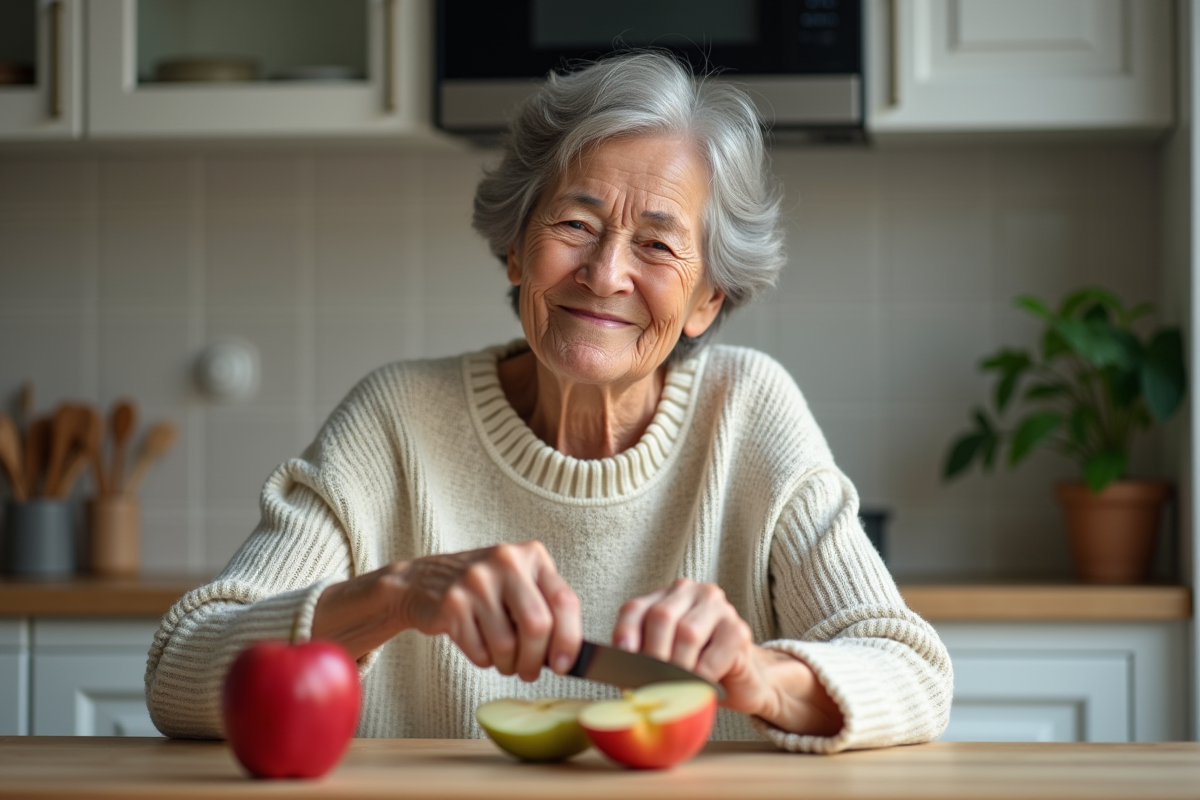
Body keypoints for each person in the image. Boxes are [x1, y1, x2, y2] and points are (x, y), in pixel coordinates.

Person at [145, 51, 952, 753]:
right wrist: (394, 596)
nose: (604, 275)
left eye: (658, 245)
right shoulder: (396, 419)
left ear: (708, 299)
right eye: (576, 222)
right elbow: (181, 672)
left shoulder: (751, 411)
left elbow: (914, 676)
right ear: (514, 250)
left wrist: (759, 676)